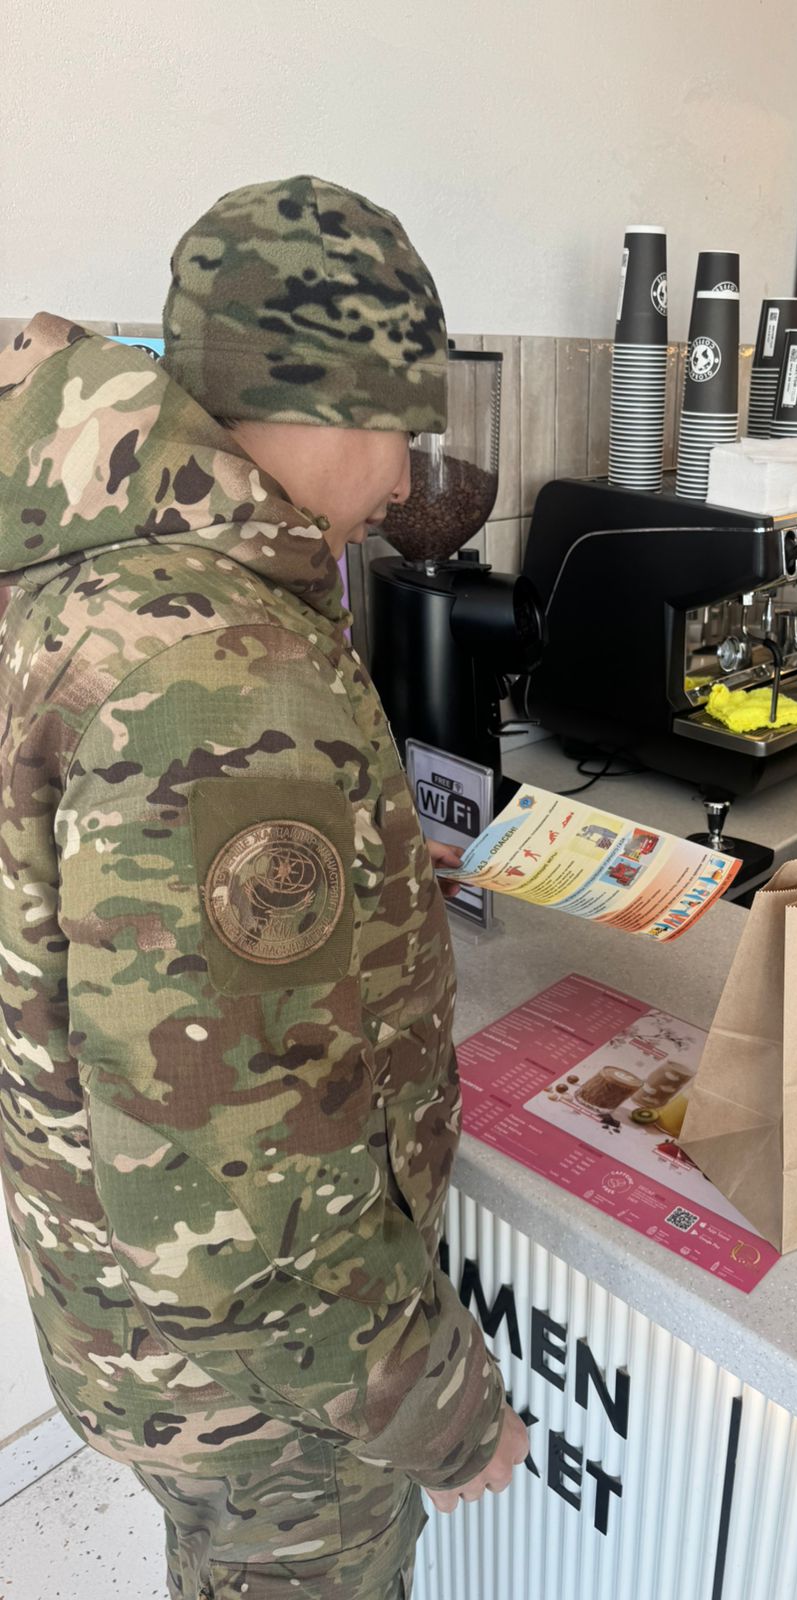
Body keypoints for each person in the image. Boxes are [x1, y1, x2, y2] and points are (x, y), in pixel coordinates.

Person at [0, 175, 527, 1600]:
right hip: (267, 1401)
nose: (404, 484)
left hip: (141, 1329)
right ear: (338, 402)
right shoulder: (222, 675)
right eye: (403, 431)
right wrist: (445, 1410)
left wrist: (352, 872)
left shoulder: (97, 571)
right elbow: (243, 1211)